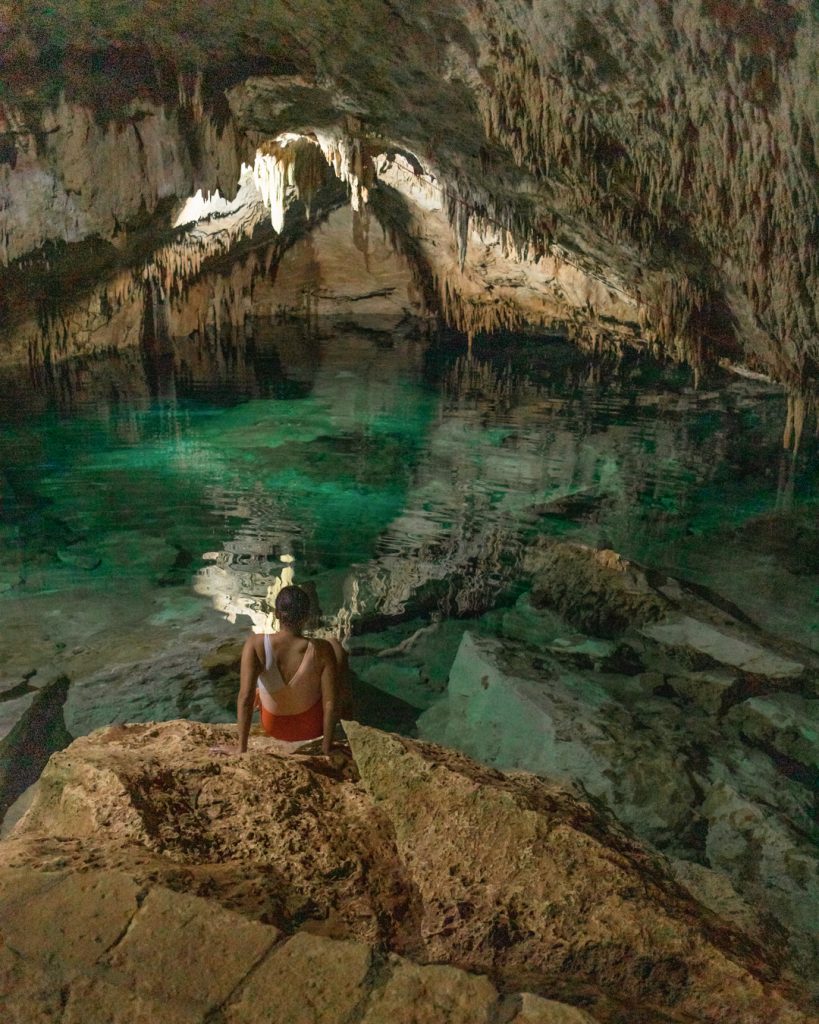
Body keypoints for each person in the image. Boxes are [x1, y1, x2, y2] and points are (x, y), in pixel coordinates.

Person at [233, 584, 339, 755]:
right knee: (337, 648)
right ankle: (348, 721)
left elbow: (245, 698)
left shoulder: (255, 644)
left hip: (273, 727)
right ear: (305, 617)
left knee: (261, 689)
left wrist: (241, 749)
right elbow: (330, 703)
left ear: (276, 614)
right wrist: (326, 749)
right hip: (312, 728)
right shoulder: (323, 648)